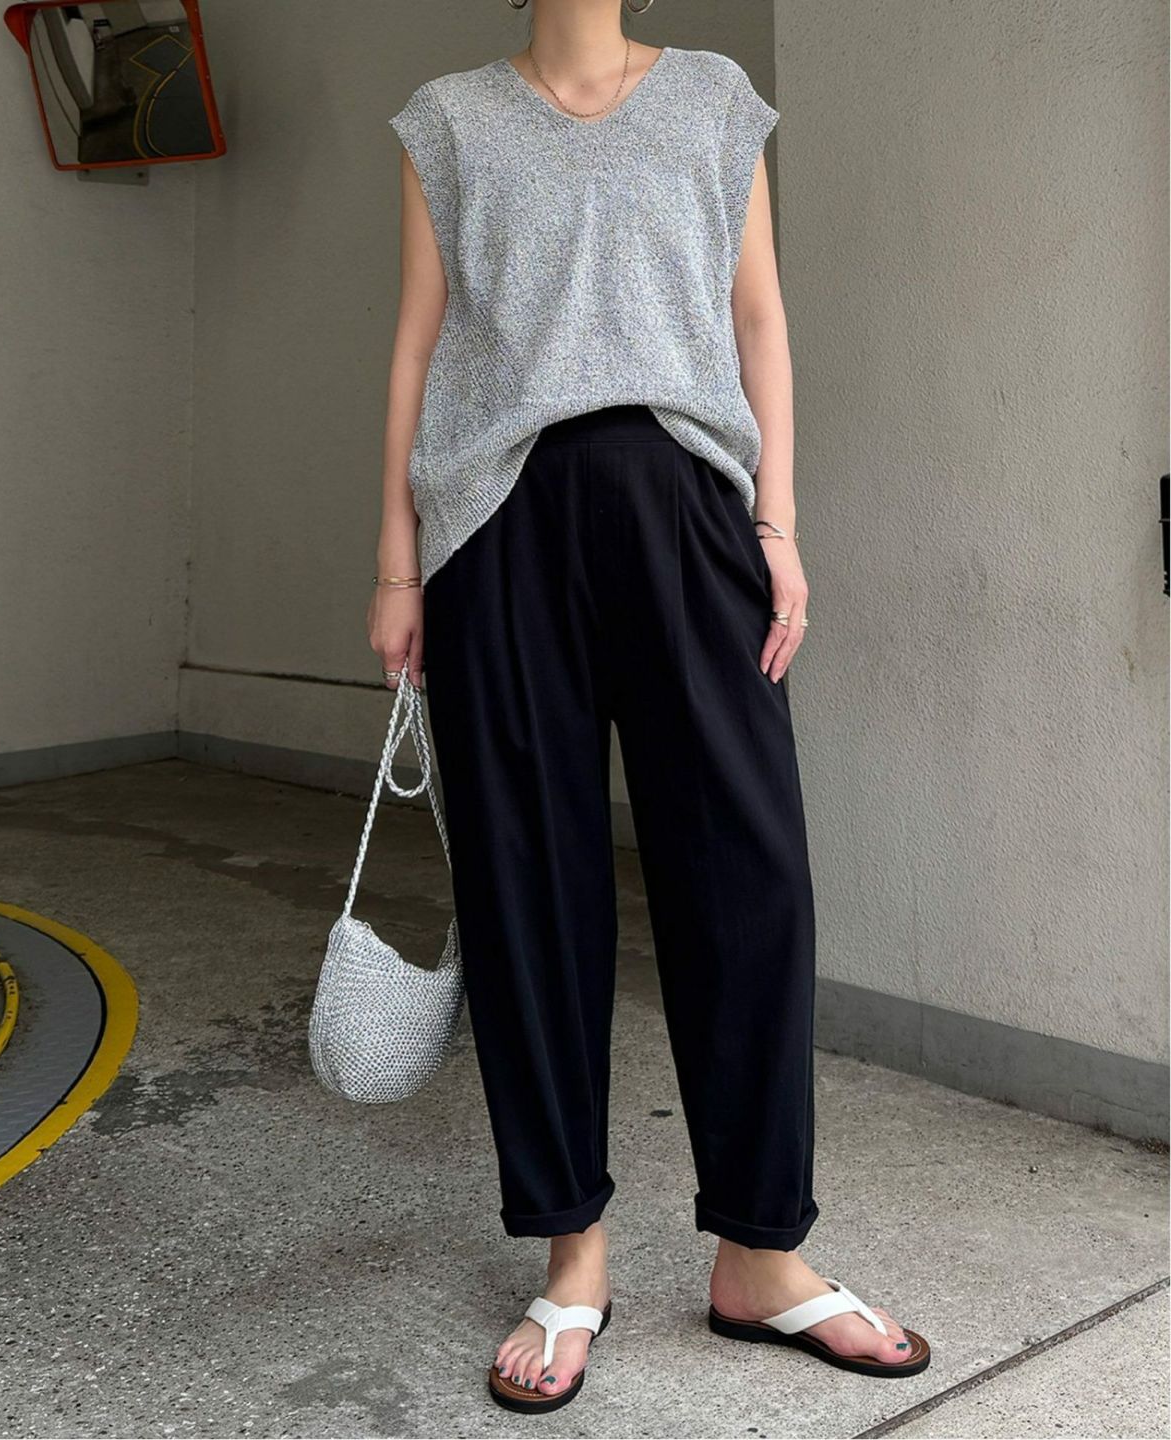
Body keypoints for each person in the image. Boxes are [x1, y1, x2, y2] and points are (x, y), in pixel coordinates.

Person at [370, 0, 931, 1415]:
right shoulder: (450, 121)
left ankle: (761, 1252)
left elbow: (760, 319)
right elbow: (418, 347)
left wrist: (777, 524)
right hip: (497, 523)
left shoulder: (714, 101)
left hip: (687, 507)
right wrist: (396, 562)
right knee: (530, 885)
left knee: (749, 874)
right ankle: (573, 1256)